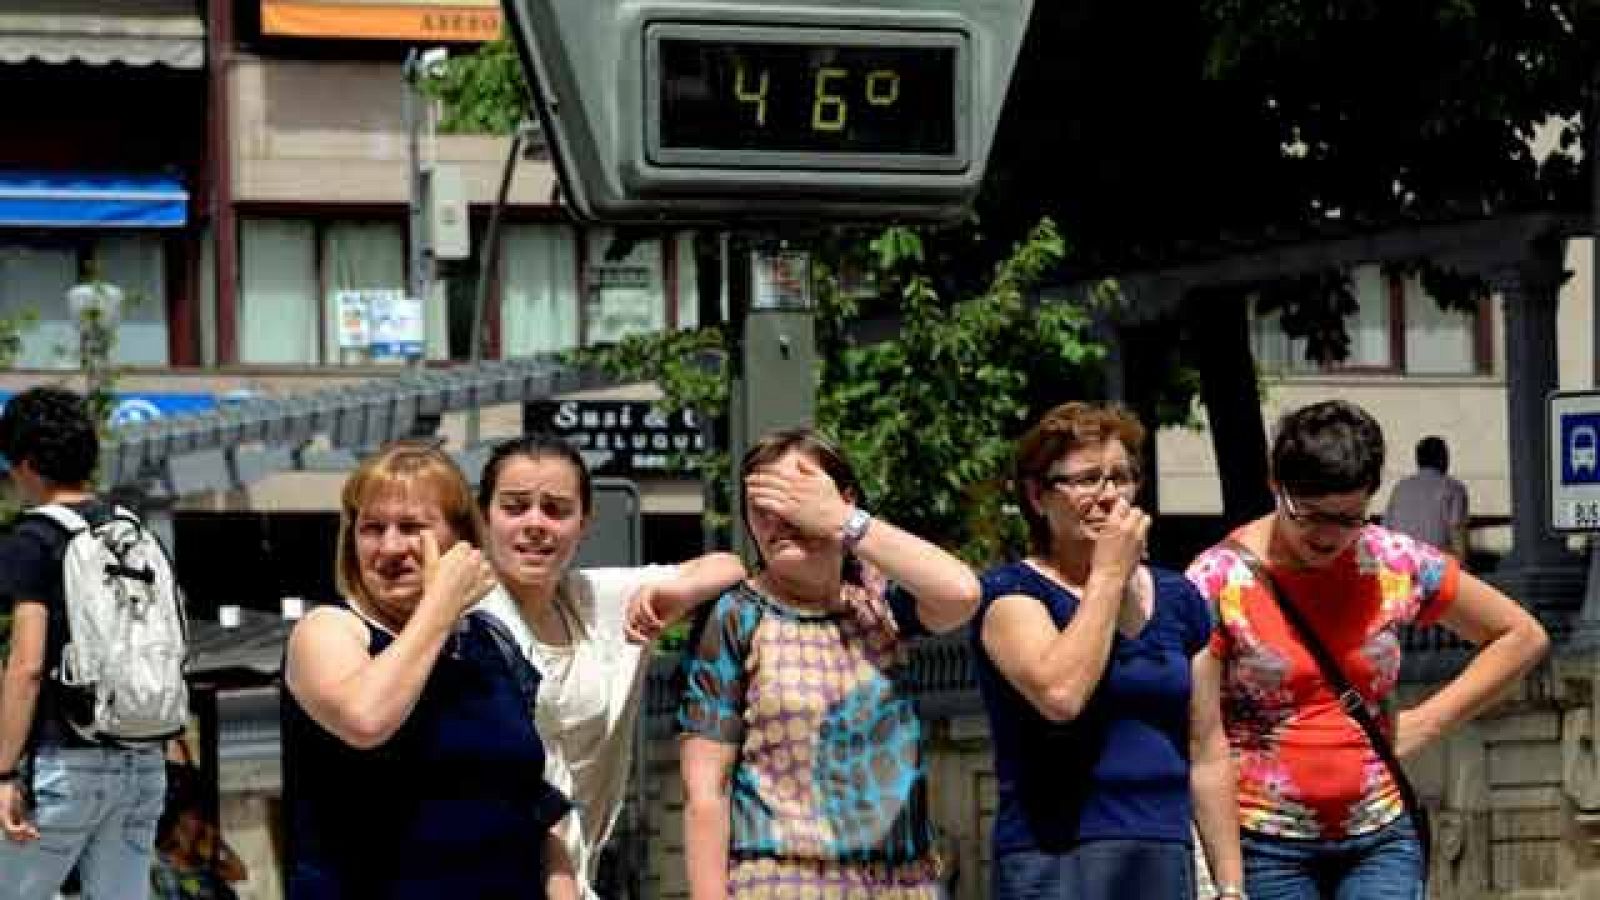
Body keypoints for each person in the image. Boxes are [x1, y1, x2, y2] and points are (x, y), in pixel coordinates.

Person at [1187, 400, 1549, 899]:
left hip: (1381, 834)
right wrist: (1229, 886)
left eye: (1348, 519)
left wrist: (1427, 721)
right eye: (1309, 515)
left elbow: (1521, 636)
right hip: (1264, 842)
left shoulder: (1393, 562)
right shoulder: (1216, 581)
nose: (1328, 536)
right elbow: (1203, 746)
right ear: (1276, 485)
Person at [677, 428, 981, 899]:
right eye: (763, 505)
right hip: (781, 878)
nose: (782, 517)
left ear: (845, 500)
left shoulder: (881, 602)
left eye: (797, 496)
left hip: (903, 881)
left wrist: (844, 522)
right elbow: (705, 792)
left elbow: (961, 594)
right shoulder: (737, 616)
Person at [970, 401, 1243, 899]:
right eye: (1087, 479)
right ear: (1038, 495)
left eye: (1121, 477)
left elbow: (1206, 747)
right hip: (1056, 857)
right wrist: (1110, 575)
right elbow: (1060, 694)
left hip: (1161, 852)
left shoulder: (1179, 599)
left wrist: (1230, 886)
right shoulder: (1011, 594)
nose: (1109, 495)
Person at [280, 442, 573, 898]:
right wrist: (439, 605)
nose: (391, 547)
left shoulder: (490, 645)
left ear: (460, 540)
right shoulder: (329, 632)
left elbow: (533, 810)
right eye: (372, 528)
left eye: (413, 527)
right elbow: (366, 719)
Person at [473, 433, 746, 898]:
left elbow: (730, 565)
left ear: (583, 524)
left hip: (579, 876)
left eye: (556, 510)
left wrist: (672, 596)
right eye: (515, 507)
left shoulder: (591, 600)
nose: (535, 524)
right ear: (483, 517)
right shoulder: (460, 616)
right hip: (491, 873)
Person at [0, 386, 169, 900]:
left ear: (26, 464)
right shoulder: (134, 532)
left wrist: (3, 771)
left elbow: (27, 667)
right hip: (144, 761)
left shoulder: (33, 539)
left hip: (65, 767)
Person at [1384, 436, 1470, 561]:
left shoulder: (1400, 488)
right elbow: (1456, 532)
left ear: (1418, 460)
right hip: (1435, 566)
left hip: (1400, 564)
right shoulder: (1454, 488)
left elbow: (1387, 529)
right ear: (1443, 459)